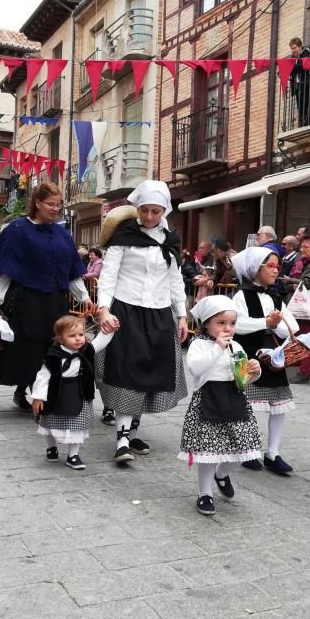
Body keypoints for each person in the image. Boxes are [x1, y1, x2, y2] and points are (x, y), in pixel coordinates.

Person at [96, 180, 189, 464]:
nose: (149, 217)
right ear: (137, 208)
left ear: (165, 211)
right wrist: (103, 309)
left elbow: (175, 279)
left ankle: (133, 432)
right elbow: (108, 276)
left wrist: (182, 313)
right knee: (126, 373)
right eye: (145, 210)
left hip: (159, 312)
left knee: (148, 373)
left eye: (155, 211)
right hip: (126, 311)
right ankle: (122, 439)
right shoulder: (123, 235)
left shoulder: (171, 239)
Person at [0, 181, 93, 411]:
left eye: (59, 205)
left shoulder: (62, 234)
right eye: (51, 204)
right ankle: (22, 390)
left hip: (55, 300)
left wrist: (84, 297)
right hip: (27, 300)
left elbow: (72, 271)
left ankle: (47, 392)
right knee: (28, 348)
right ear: (37, 203)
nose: (55, 209)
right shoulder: (17, 230)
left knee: (54, 345)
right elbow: (5, 270)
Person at [180, 295, 263, 515]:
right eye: (221, 323)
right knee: (208, 451)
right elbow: (196, 369)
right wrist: (216, 348)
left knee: (243, 448)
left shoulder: (236, 346)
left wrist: (254, 371)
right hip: (209, 400)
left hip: (234, 399)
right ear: (207, 324)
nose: (228, 328)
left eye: (232, 323)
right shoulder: (199, 345)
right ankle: (204, 493)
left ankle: (222, 473)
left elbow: (242, 377)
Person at [232, 246, 301, 475]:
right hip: (248, 354)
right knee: (246, 404)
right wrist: (266, 323)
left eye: (276, 266)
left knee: (278, 406)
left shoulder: (275, 295)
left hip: (272, 357)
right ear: (255, 269)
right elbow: (236, 324)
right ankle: (246, 449)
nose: (275, 271)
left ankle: (273, 453)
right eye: (269, 266)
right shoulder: (242, 294)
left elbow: (291, 327)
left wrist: (280, 326)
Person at [29, 315, 113, 471]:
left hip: (80, 393)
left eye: (81, 335)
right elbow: (43, 376)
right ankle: (51, 447)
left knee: (78, 426)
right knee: (49, 423)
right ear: (61, 339)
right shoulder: (53, 356)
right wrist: (38, 397)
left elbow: (101, 341)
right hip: (56, 394)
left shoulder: (87, 351)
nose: (78, 339)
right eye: (72, 336)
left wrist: (111, 328)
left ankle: (73, 455)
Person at [281, 234, 310, 384]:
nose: (303, 249)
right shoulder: (299, 262)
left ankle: (305, 372)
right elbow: (286, 284)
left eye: (306, 247)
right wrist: (292, 283)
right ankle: (295, 366)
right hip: (294, 305)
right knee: (294, 337)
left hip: (306, 308)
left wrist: (292, 281)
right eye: (302, 246)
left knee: (305, 339)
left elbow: (307, 283)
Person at [289, 37, 310, 127]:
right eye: (292, 48)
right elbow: (291, 69)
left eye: (295, 48)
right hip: (298, 85)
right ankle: (303, 122)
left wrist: (291, 68)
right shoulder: (293, 58)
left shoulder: (306, 52)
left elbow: (303, 65)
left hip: (308, 82)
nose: (293, 50)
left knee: (309, 102)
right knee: (300, 106)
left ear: (300, 46)